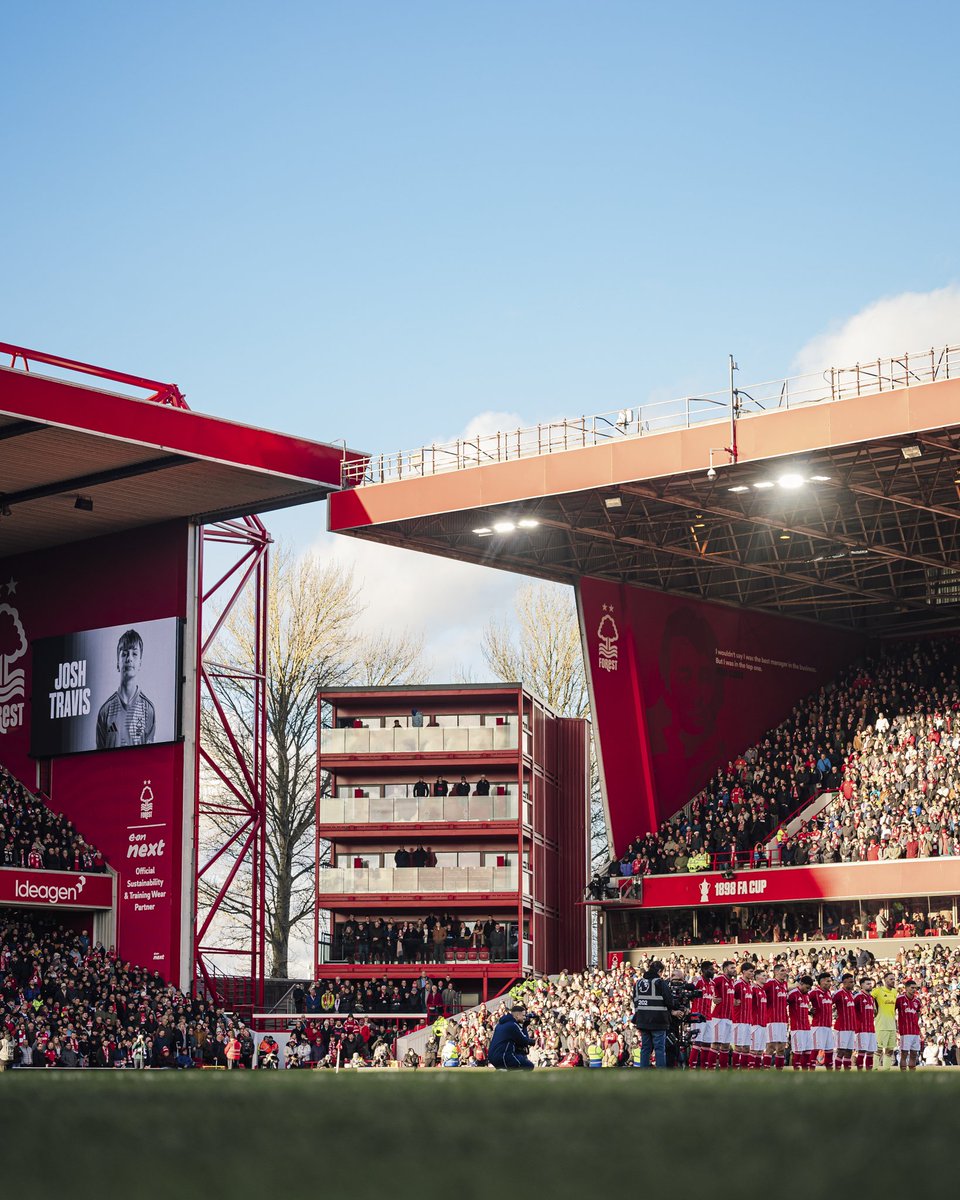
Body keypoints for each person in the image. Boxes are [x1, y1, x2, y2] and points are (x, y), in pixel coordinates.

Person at [96, 628, 156, 749]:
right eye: (124, 653)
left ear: (140, 662)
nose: (129, 658)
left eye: (134, 654)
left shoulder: (148, 709)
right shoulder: (105, 711)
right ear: (118, 662)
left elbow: (150, 756)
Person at [632, 960, 681, 1069]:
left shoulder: (638, 983)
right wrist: (676, 1004)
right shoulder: (659, 982)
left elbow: (635, 1000)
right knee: (659, 1048)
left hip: (643, 1021)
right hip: (658, 1021)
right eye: (662, 973)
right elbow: (669, 1001)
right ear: (659, 971)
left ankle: (643, 1071)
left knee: (645, 1048)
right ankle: (660, 1073)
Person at [687, 960, 716, 1070]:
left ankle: (704, 1068)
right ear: (704, 970)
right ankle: (692, 1068)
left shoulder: (712, 984)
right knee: (697, 1042)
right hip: (697, 1017)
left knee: (707, 1043)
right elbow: (689, 993)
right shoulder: (697, 981)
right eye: (711, 969)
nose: (713, 971)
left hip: (709, 1017)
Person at [488, 1004, 535, 1070]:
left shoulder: (500, 1024)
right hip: (503, 1056)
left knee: (518, 1058)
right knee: (529, 1066)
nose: (525, 1018)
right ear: (517, 1015)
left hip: (492, 1056)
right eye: (523, 1015)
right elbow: (524, 1041)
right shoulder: (513, 1025)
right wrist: (525, 1027)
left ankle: (503, 1071)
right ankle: (504, 1073)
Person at [764, 962, 790, 1071]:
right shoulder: (770, 983)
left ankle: (779, 1071)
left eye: (785, 970)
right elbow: (759, 992)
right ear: (775, 972)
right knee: (770, 1046)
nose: (785, 973)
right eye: (782, 971)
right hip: (772, 1020)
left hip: (783, 1020)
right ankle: (766, 1069)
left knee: (781, 1047)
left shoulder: (784, 985)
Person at [872, 970, 899, 1069]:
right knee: (878, 1049)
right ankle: (874, 1069)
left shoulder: (895, 992)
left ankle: (886, 1069)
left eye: (894, 979)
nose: (893, 981)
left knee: (890, 1050)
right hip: (881, 1025)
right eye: (891, 979)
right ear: (885, 980)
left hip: (892, 1025)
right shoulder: (878, 991)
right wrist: (873, 1008)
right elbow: (868, 998)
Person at [712, 960, 736, 1070]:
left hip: (729, 1018)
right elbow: (707, 986)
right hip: (718, 1017)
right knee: (716, 1044)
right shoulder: (719, 979)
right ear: (726, 969)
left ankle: (723, 1069)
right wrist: (713, 998)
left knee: (726, 1045)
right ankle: (710, 1069)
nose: (734, 970)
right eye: (732, 968)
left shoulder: (732, 982)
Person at [809, 973, 836, 1071]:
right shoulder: (814, 992)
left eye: (830, 981)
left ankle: (829, 1073)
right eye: (828, 981)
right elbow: (803, 999)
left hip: (828, 1027)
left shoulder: (828, 993)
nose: (830, 983)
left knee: (829, 1050)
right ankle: (810, 1071)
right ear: (822, 981)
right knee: (815, 1049)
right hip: (818, 1026)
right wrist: (808, 1010)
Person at [832, 973, 858, 1070]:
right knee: (841, 1050)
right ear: (844, 982)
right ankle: (837, 1072)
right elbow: (829, 1003)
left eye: (853, 982)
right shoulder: (838, 993)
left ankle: (847, 1072)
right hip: (842, 1027)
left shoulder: (851, 994)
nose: (852, 984)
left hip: (851, 1028)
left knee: (849, 1051)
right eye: (850, 982)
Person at [787, 976, 814, 1070]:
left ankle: (805, 1073)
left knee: (807, 1052)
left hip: (807, 1027)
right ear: (801, 984)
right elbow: (783, 1004)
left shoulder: (806, 995)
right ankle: (796, 1073)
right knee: (798, 1052)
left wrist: (810, 1012)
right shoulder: (793, 994)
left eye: (810, 988)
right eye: (807, 988)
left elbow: (802, 1009)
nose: (808, 990)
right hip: (797, 1028)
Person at [896, 980, 922, 1071]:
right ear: (906, 988)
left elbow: (918, 1012)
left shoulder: (917, 1001)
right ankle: (903, 1074)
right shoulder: (899, 999)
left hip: (915, 1031)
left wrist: (915, 1022)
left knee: (914, 1054)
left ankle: (912, 1074)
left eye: (915, 988)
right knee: (904, 1053)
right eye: (912, 988)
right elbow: (893, 1011)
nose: (914, 990)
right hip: (905, 1031)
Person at [854, 977, 877, 1071]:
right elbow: (851, 1011)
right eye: (867, 984)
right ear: (862, 985)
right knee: (862, 1051)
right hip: (861, 1029)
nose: (870, 985)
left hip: (871, 1028)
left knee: (871, 1052)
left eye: (870, 983)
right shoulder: (858, 997)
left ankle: (869, 1072)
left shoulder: (871, 998)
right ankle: (860, 1072)